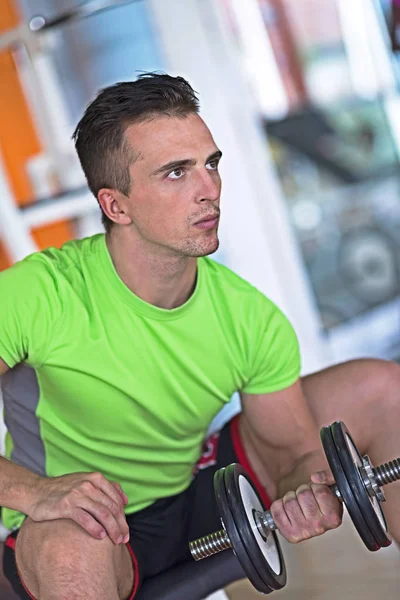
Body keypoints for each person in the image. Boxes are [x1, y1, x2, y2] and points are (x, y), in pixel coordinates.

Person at [0, 73, 399, 600]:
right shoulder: (38, 293)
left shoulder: (248, 316)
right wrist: (36, 492)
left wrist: (305, 489)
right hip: (79, 525)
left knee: (381, 388)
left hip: (196, 491)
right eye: (175, 173)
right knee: (75, 543)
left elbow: (291, 452)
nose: (208, 188)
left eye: (210, 164)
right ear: (116, 206)